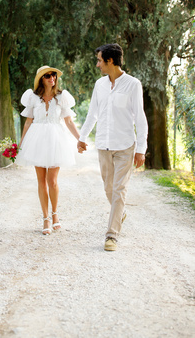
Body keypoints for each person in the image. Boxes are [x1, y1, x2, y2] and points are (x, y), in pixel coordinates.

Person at [77, 44, 148, 251]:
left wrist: (141, 149)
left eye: (99, 60)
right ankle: (120, 212)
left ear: (110, 61)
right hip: (103, 145)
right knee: (109, 188)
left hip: (125, 145)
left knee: (119, 189)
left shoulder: (133, 84)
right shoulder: (99, 85)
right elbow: (93, 114)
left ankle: (111, 235)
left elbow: (140, 118)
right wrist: (82, 137)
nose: (97, 64)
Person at [17, 65, 80, 235]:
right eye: (48, 76)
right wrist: (21, 145)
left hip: (55, 140)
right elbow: (28, 122)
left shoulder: (61, 97)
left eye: (54, 75)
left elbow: (68, 121)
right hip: (37, 140)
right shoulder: (33, 98)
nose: (52, 78)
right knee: (41, 181)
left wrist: (79, 139)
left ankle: (55, 214)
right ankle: (45, 218)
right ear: (41, 79)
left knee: (52, 181)